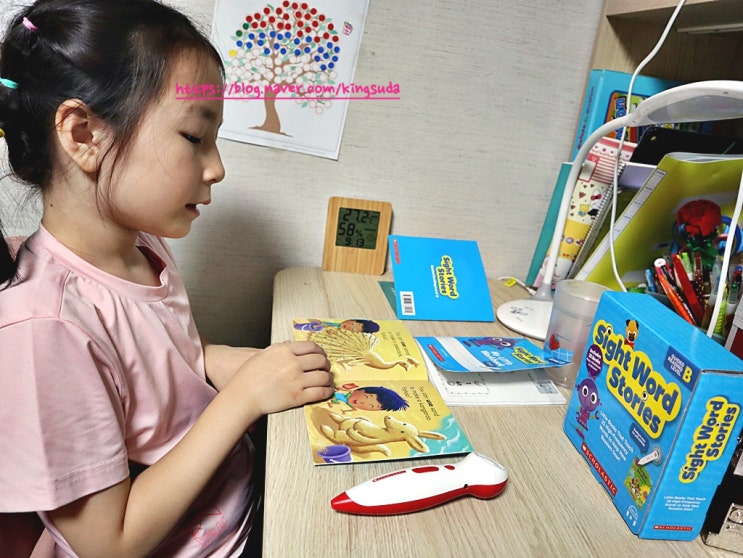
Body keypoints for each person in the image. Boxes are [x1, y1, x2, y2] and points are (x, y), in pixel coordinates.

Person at [0, 1, 334, 556]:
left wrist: (243, 364)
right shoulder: (45, 327)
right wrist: (244, 398)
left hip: (242, 498)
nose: (217, 168)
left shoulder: (143, 246)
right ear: (83, 133)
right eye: (194, 137)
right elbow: (110, 543)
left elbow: (170, 362)